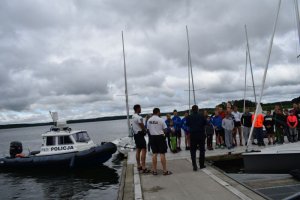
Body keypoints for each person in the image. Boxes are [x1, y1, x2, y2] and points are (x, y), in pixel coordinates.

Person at [147, 108, 172, 176]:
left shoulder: (149, 120)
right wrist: (166, 132)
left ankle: (154, 171)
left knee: (154, 153)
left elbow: (148, 130)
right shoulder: (161, 119)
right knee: (162, 153)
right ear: (158, 112)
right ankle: (164, 171)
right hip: (160, 137)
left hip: (152, 137)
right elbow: (165, 130)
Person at [186, 105, 207, 171]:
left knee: (193, 151)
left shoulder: (189, 117)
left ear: (192, 110)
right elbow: (205, 123)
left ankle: (194, 166)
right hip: (201, 134)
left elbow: (187, 124)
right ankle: (201, 165)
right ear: (198, 109)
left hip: (193, 135)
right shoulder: (202, 116)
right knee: (202, 150)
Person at [132, 104, 151, 173]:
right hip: (140, 135)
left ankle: (139, 165)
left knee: (138, 150)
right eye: (140, 108)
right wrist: (145, 130)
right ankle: (143, 167)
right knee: (144, 150)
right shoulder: (139, 117)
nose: (141, 109)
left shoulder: (133, 116)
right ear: (137, 109)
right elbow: (142, 126)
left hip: (136, 135)